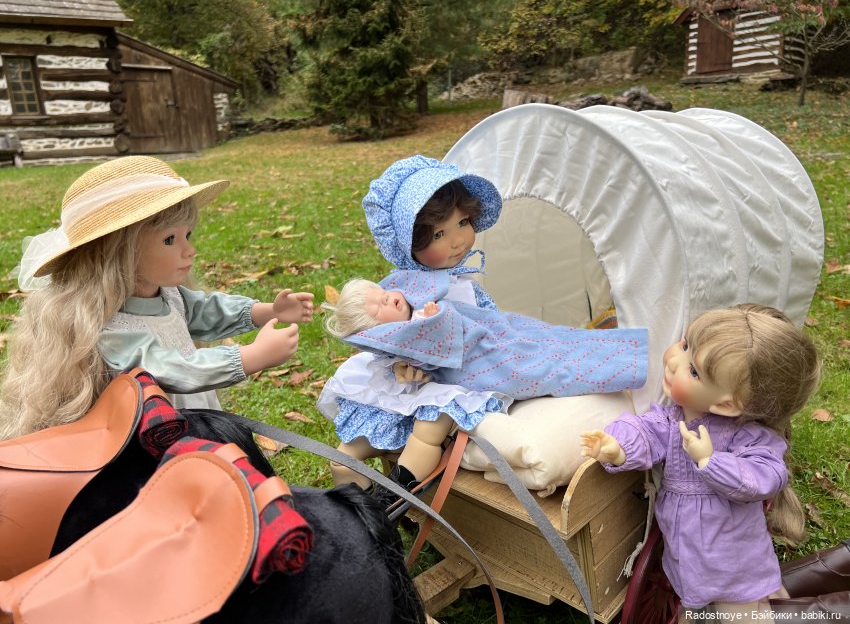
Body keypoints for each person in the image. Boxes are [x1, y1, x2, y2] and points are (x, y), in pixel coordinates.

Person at [318, 155, 646, 508]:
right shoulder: (403, 286)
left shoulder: (456, 284)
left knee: (439, 420)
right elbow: (386, 339)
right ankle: (359, 504)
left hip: (469, 366)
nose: (458, 240)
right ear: (409, 244)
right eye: (439, 234)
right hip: (429, 379)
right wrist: (401, 360)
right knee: (361, 445)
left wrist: (503, 335)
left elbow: (491, 323)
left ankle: (396, 493)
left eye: (463, 222)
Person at [0, 155, 313, 441]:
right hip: (151, 433)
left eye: (187, 235)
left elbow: (205, 310)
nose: (189, 250)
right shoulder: (111, 327)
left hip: (189, 413)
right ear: (118, 253)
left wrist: (267, 311)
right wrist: (249, 358)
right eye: (169, 239)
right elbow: (167, 367)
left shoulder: (168, 296)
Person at [579, 304, 821, 623]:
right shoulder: (671, 419)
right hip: (687, 558)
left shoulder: (746, 437)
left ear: (725, 404)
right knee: (692, 605)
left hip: (735, 566)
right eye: (684, 345)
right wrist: (616, 447)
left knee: (746, 617)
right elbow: (644, 428)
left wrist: (711, 461)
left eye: (693, 371)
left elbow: (765, 476)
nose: (673, 360)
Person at [324, 277, 647, 400]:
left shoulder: (419, 302)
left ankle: (623, 347)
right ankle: (627, 362)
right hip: (487, 361)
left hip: (497, 332)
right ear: (380, 332)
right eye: (380, 306)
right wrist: (435, 318)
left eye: (383, 293)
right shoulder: (409, 338)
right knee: (545, 366)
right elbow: (428, 350)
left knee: (549, 337)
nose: (388, 298)